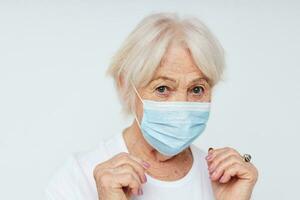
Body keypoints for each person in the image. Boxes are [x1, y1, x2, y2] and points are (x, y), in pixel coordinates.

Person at [45, 12, 258, 200]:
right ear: (125, 84)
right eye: (163, 88)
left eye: (196, 89)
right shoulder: (78, 177)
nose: (181, 109)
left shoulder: (224, 179)